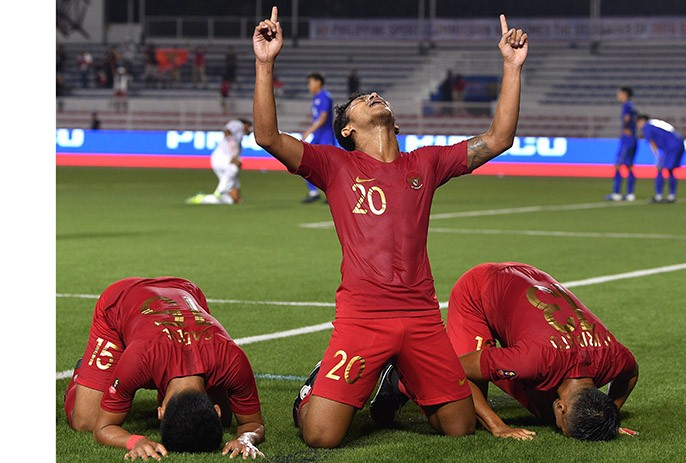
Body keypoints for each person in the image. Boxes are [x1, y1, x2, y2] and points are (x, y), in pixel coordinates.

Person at [252, 6, 528, 449]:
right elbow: (267, 136)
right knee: (321, 436)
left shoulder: (426, 163)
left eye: (376, 95)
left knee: (459, 427)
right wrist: (265, 62)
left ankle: (395, 381)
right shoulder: (334, 165)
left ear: (396, 123)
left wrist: (511, 68)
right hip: (363, 317)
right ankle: (320, 384)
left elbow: (498, 139)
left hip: (421, 318)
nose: (373, 95)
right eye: (362, 99)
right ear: (346, 129)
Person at [370, 262, 639, 442]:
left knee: (540, 410)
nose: (559, 427)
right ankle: (399, 378)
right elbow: (452, 367)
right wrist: (498, 426)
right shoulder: (532, 361)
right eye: (563, 424)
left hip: (527, 278)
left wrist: (607, 415)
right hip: (479, 289)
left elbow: (631, 372)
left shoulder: (612, 356)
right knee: (461, 415)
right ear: (562, 405)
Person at [63, 276, 266, 460]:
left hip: (185, 293)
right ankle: (84, 370)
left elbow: (253, 425)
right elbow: (102, 428)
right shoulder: (139, 359)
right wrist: (135, 441)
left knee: (220, 424)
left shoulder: (232, 359)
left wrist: (246, 438)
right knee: (85, 421)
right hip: (121, 300)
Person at [186, 118, 252, 205]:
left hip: (224, 162)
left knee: (233, 200)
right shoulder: (238, 124)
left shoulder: (239, 142)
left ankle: (202, 199)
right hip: (221, 157)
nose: (250, 130)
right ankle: (220, 191)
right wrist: (232, 147)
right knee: (234, 168)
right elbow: (226, 131)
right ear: (245, 124)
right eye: (250, 127)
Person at [300, 72, 334, 203]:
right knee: (304, 161)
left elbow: (323, 118)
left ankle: (330, 193)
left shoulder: (324, 97)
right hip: (318, 136)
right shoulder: (317, 98)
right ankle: (313, 192)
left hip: (325, 136)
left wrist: (309, 131)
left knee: (327, 167)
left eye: (310, 82)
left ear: (318, 82)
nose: (309, 86)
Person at [637, 114, 686, 203]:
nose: (638, 126)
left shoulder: (647, 127)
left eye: (638, 123)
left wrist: (657, 158)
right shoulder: (654, 124)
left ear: (642, 121)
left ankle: (659, 196)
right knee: (670, 170)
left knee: (660, 169)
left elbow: (652, 143)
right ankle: (672, 195)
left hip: (671, 146)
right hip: (679, 143)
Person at [605, 86, 638, 201]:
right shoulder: (633, 106)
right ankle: (630, 194)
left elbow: (627, 118)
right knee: (629, 166)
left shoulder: (626, 106)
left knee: (618, 165)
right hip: (634, 138)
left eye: (619, 94)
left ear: (624, 94)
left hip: (627, 138)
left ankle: (616, 193)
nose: (618, 96)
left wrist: (626, 128)